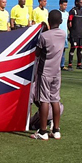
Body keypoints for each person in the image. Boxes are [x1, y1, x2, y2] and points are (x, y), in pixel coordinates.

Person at [31, 10, 66, 140]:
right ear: (61, 21)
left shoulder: (44, 36)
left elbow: (37, 53)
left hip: (45, 72)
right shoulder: (63, 34)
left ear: (48, 20)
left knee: (44, 100)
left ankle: (43, 131)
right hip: (57, 72)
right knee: (55, 99)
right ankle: (56, 130)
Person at [67, 0, 82, 70]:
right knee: (73, 48)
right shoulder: (72, 11)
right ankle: (70, 65)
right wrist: (71, 33)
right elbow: (70, 23)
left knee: (80, 49)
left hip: (81, 34)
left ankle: (79, 64)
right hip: (74, 34)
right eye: (80, 2)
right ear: (76, 3)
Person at [58, 0, 69, 70]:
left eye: (66, 5)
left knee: (63, 50)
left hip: (65, 35)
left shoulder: (67, 13)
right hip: (58, 34)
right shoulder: (57, 13)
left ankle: (62, 65)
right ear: (60, 5)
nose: (65, 6)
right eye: (64, 5)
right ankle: (56, 65)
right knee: (57, 50)